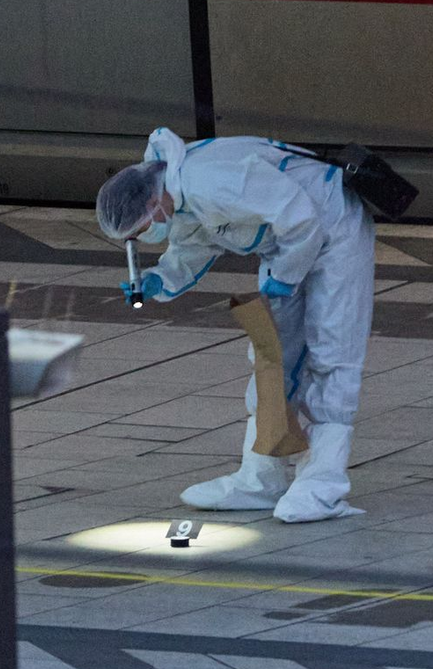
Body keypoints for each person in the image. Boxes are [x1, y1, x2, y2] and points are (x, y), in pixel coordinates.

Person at [96, 127, 375, 523]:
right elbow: (195, 243)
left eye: (142, 230)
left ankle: (323, 486)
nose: (148, 235)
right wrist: (162, 279)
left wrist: (286, 276)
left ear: (154, 203)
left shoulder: (213, 180)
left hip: (333, 228)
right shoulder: (181, 195)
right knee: (272, 356)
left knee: (333, 353)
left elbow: (300, 219)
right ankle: (261, 478)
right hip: (286, 245)